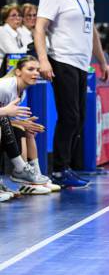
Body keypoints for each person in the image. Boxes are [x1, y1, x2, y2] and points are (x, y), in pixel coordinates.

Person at [33, 0, 109, 189]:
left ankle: (67, 166)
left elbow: (92, 29)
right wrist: (43, 60)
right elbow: (40, 28)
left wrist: (102, 60)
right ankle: (59, 169)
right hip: (62, 59)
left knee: (79, 118)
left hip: (82, 62)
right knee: (69, 116)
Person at [0, 56, 56, 197]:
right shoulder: (5, 87)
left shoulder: (21, 92)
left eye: (37, 70)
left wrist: (22, 123)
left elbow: (5, 118)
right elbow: (4, 116)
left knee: (26, 130)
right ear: (18, 72)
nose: (36, 73)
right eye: (30, 69)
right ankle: (21, 170)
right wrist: (8, 113)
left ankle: (31, 177)